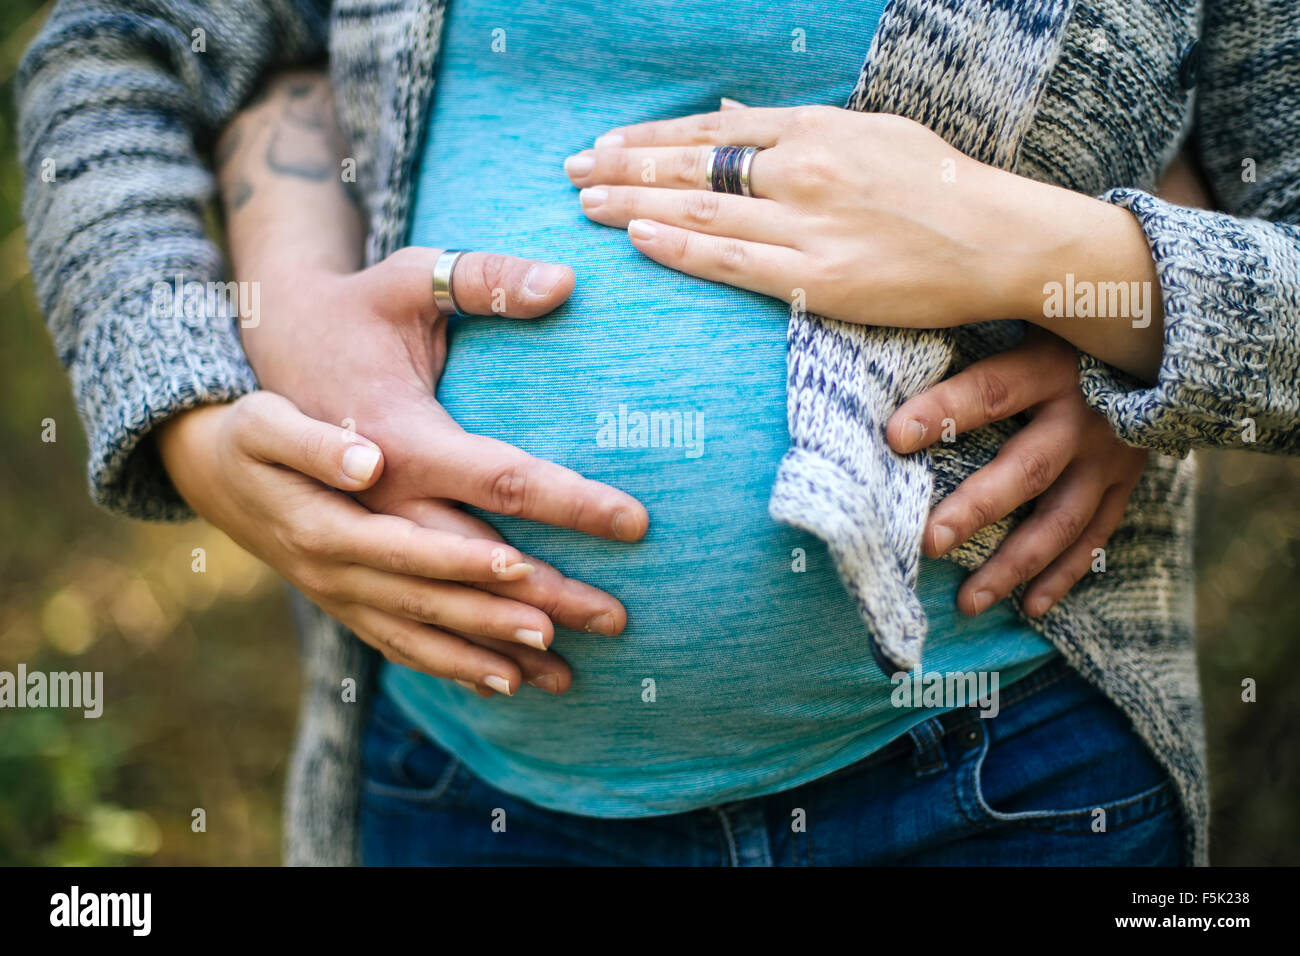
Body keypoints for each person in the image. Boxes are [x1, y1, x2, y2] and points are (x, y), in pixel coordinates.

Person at [18, 0, 1299, 866]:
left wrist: (1082, 269)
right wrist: (191, 408)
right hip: (450, 774)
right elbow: (126, 43)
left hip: (998, 775)